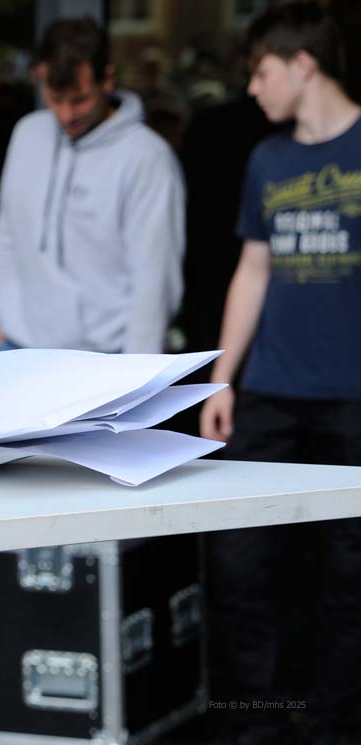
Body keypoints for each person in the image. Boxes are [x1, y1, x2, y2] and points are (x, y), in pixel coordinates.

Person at [199, 4, 361, 744]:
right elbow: (254, 268)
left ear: (304, 64)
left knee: (350, 573)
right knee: (240, 559)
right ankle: (256, 723)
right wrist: (223, 378)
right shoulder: (267, 159)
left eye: (262, 71)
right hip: (270, 391)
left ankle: (333, 723)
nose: (252, 88)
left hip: (352, 397)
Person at [0, 17, 184, 354]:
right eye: (55, 98)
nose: (66, 114)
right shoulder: (27, 134)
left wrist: (136, 372)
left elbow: (154, 279)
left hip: (101, 357)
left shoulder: (147, 157)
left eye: (79, 99)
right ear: (39, 75)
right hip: (14, 344)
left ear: (107, 79)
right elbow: (7, 236)